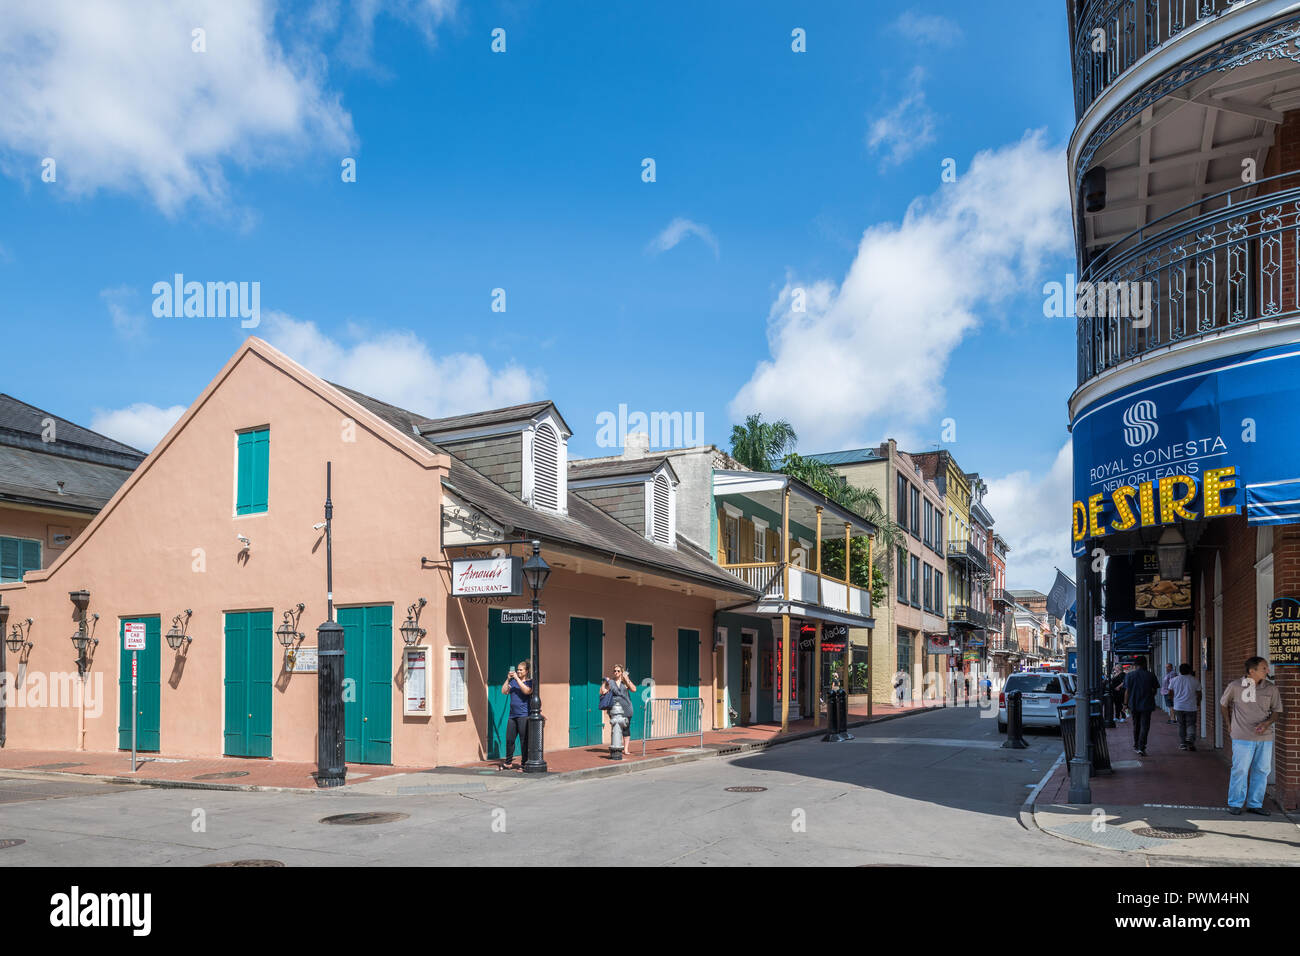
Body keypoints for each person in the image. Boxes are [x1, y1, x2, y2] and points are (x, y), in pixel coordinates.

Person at [1219, 656, 1283, 816]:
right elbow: (1223, 704)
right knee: (1240, 769)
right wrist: (1228, 724)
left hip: (1265, 737)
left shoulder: (1271, 688)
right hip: (1242, 736)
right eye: (1264, 668)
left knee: (1262, 770)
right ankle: (1235, 803)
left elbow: (1276, 712)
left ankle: (1255, 803)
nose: (1268, 670)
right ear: (1251, 671)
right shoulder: (1234, 686)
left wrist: (1267, 723)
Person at [1123, 656, 1161, 755]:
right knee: (1145, 726)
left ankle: (1136, 745)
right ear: (1145, 663)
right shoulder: (1151, 675)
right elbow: (1155, 690)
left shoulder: (1130, 676)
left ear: (1135, 665)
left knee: (1136, 725)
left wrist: (1125, 704)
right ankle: (1141, 746)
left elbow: (1127, 691)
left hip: (1134, 704)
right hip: (1147, 704)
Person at [498, 660, 532, 770]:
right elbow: (504, 691)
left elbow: (527, 691)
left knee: (524, 741)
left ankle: (524, 764)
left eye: (521, 670)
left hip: (524, 715)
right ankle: (508, 762)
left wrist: (517, 679)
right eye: (517, 669)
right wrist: (508, 679)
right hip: (512, 716)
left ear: (526, 671)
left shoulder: (529, 682)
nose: (518, 671)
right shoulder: (512, 682)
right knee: (509, 739)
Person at [602, 664, 637, 760]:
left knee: (626, 728)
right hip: (614, 709)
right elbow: (602, 691)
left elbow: (634, 689)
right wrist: (605, 682)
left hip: (626, 708)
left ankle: (625, 749)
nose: (616, 672)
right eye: (614, 671)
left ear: (621, 672)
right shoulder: (611, 682)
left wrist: (627, 678)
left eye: (618, 671)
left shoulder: (625, 682)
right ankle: (615, 746)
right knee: (615, 727)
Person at [1169, 662, 1201, 751]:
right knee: (1191, 724)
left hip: (1178, 706)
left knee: (1181, 725)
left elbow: (1170, 693)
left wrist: (1173, 700)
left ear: (1180, 671)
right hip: (1191, 706)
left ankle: (1183, 744)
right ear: (1189, 670)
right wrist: (1198, 703)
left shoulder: (1174, 680)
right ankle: (1190, 740)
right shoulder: (1195, 680)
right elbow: (1199, 693)